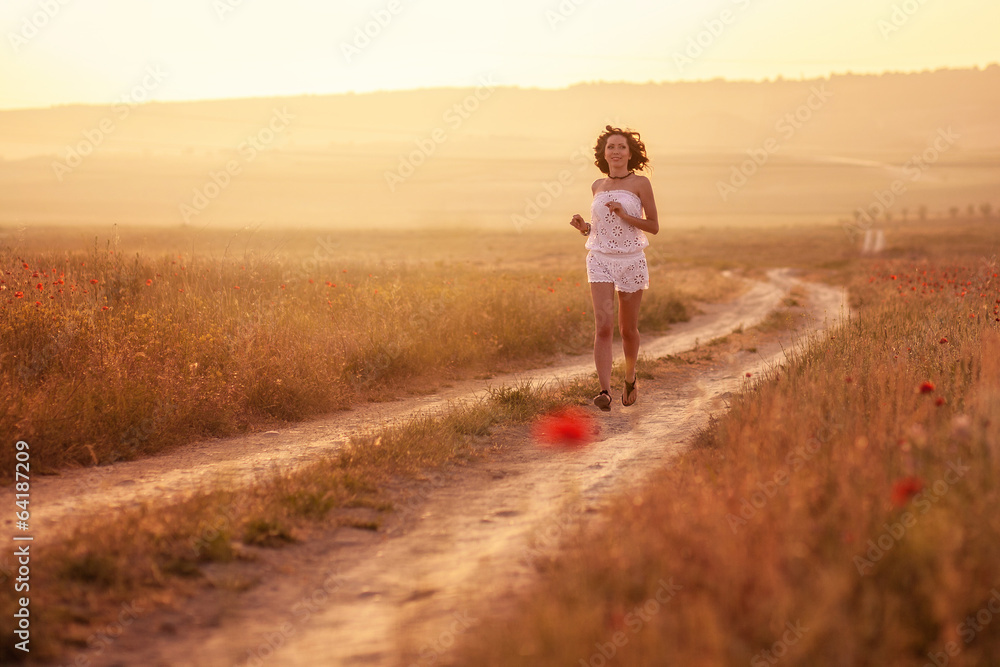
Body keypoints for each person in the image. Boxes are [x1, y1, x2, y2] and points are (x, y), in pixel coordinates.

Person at [570, 125, 658, 411]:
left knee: (627, 329)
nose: (616, 151)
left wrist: (625, 214)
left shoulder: (640, 184)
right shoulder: (598, 185)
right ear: (603, 153)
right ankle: (604, 391)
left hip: (631, 260)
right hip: (600, 259)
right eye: (611, 147)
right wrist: (586, 229)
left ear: (630, 153)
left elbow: (653, 227)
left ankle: (630, 377)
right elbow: (603, 228)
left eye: (621, 147)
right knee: (604, 327)